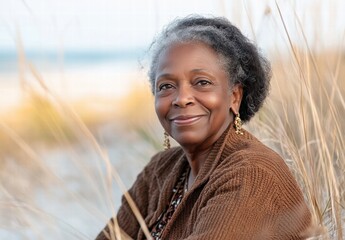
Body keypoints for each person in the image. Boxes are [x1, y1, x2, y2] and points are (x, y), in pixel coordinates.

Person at [96, 16, 312, 240]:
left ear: (235, 97)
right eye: (166, 86)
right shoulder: (160, 170)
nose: (181, 98)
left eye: (202, 82)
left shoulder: (252, 173)